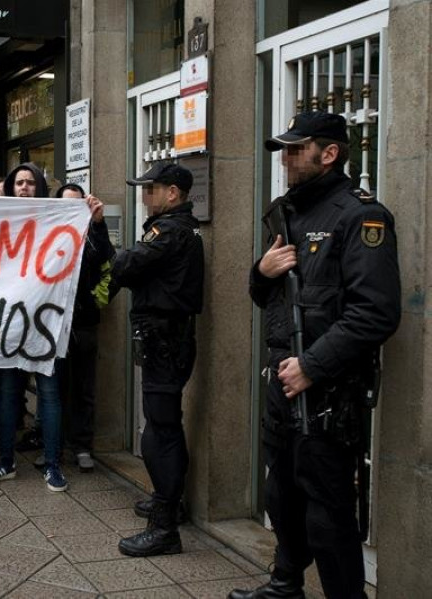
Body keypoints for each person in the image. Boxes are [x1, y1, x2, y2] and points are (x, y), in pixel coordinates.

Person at [231, 112, 400, 599]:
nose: (285, 159)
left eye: (294, 149)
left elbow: (376, 313)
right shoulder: (288, 212)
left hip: (328, 390)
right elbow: (268, 298)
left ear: (328, 154)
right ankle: (285, 583)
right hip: (284, 380)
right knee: (281, 497)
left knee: (327, 513)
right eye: (283, 149)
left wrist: (312, 366)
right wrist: (261, 272)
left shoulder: (360, 216)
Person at [0, 163, 103, 493]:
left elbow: (96, 259)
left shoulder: (59, 224)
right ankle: (5, 461)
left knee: (49, 396)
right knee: (7, 396)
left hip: (47, 326)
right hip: (9, 327)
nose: (24, 187)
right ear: (11, 187)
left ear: (40, 188)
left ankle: (52, 464)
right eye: (18, 182)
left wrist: (96, 225)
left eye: (31, 182)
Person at [111, 162, 203, 557]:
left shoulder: (172, 232)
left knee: (160, 432)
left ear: (173, 193)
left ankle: (164, 527)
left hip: (167, 340)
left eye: (151, 189)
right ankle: (169, 500)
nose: (144, 196)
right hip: (164, 339)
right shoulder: (172, 229)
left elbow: (127, 265)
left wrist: (101, 239)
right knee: (162, 426)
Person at [54, 184, 114, 473]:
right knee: (55, 389)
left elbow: (107, 259)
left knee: (83, 389)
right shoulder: (47, 232)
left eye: (77, 204)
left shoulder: (93, 234)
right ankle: (54, 446)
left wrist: (98, 223)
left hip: (84, 324)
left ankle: (81, 446)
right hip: (51, 325)